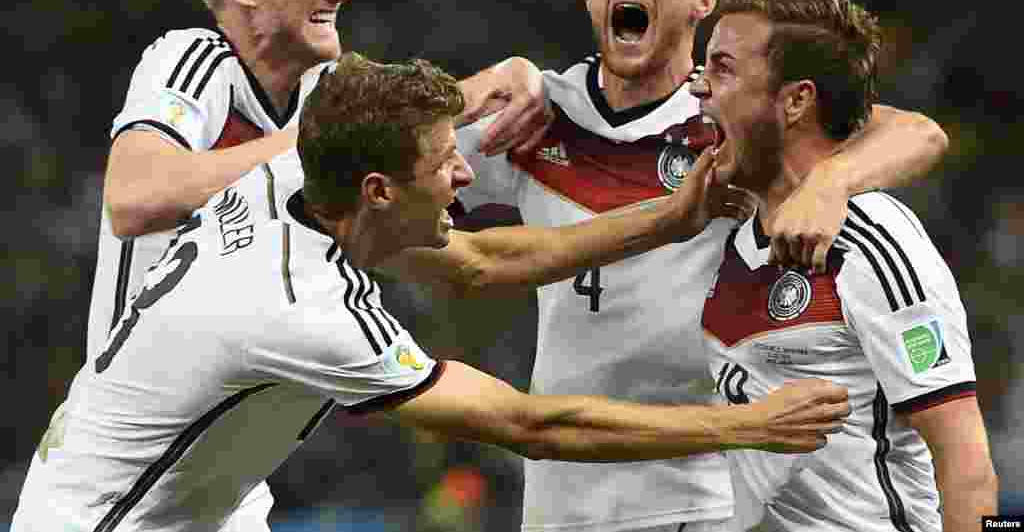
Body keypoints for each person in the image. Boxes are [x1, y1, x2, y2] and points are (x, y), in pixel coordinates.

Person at [12, 54, 851, 532]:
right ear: (378, 189)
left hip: (105, 497)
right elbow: (532, 424)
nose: (462, 171)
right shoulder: (307, 310)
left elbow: (483, 257)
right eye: (442, 162)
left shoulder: (293, 173)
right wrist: (745, 426)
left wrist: (667, 219)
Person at [453, 0, 950, 532]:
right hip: (558, 497)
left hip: (700, 497)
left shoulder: (733, 117)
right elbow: (371, 171)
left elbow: (919, 133)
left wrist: (830, 183)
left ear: (703, 0)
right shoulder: (535, 113)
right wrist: (476, 87)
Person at [85, 0, 548, 529]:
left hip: (229, 484)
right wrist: (315, 142)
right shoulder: (194, 61)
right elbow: (134, 196)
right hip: (129, 480)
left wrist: (504, 81)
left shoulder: (323, 95)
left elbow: (427, 171)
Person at [694, 0, 998, 531]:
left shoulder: (875, 241)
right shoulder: (737, 238)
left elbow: (968, 467)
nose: (698, 87)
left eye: (723, 68)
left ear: (795, 101)